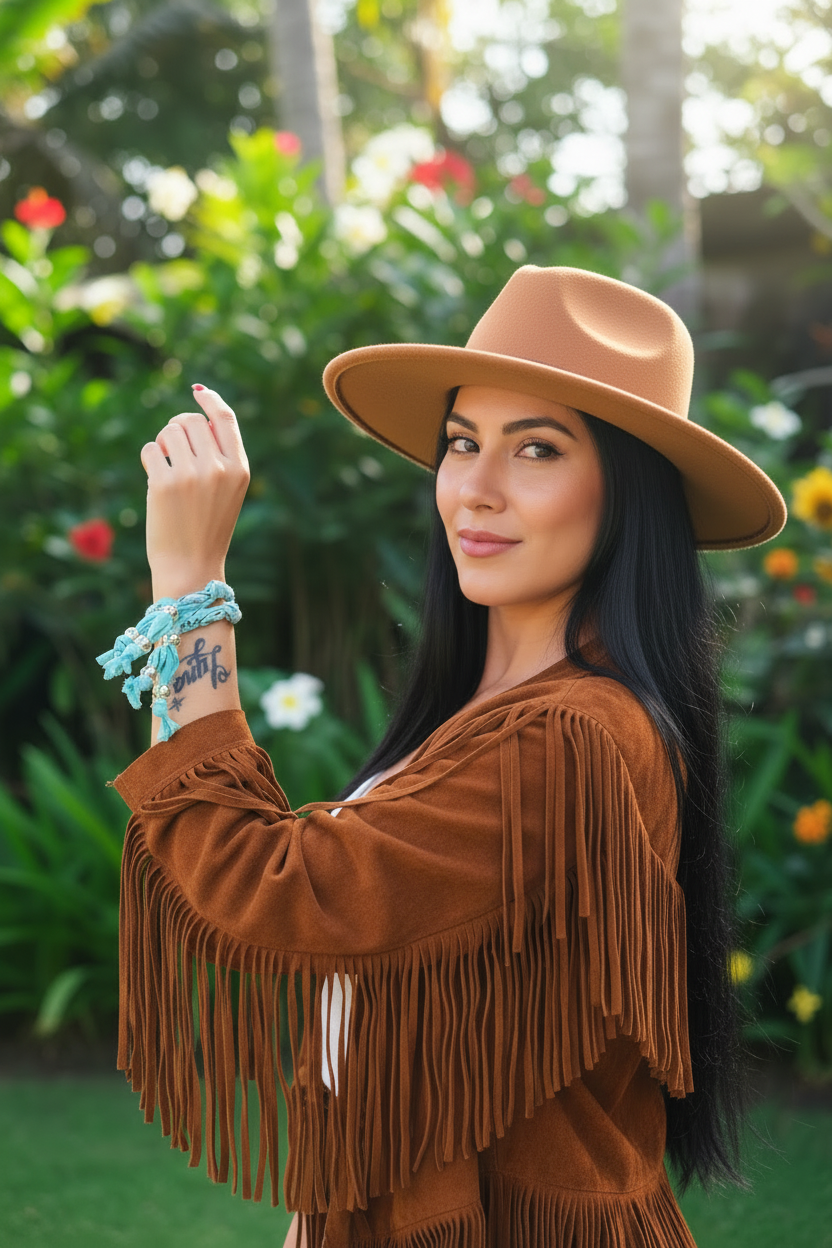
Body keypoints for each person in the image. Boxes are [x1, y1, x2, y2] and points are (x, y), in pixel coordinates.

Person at [108, 266, 786, 1248]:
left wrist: (189, 590)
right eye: (461, 443)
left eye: (537, 450)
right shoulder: (484, 718)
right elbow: (376, 1008)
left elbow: (271, 890)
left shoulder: (573, 742)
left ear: (631, 495)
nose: (474, 488)